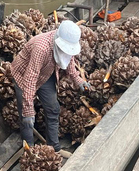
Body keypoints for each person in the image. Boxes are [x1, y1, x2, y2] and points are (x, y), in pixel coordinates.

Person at [11, 20, 90, 153]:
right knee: (26, 118)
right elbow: (31, 77)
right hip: (23, 74)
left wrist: (78, 80)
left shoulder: (66, 42)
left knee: (53, 109)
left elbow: (69, 60)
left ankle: (54, 147)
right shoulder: (41, 48)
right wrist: (29, 111)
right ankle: (29, 150)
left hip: (46, 73)